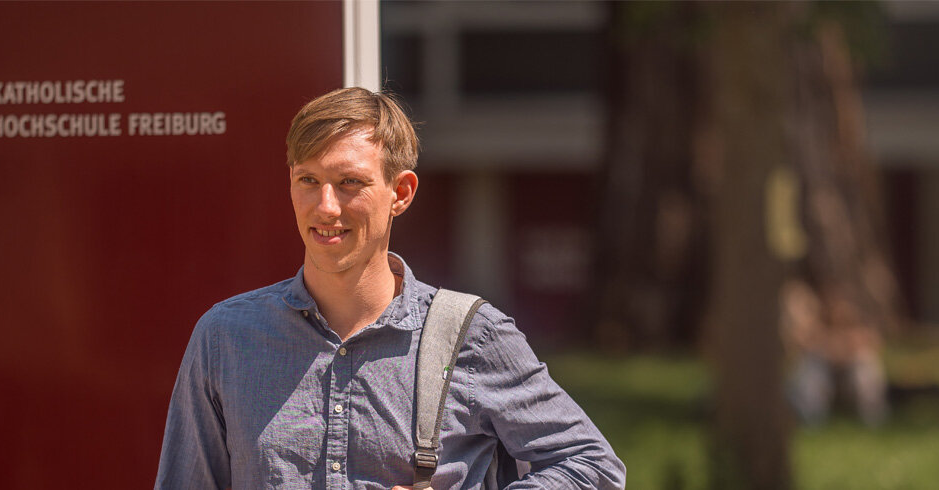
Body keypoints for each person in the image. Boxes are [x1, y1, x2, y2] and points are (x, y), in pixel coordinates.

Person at [155, 87, 626, 489]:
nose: (325, 207)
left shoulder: (471, 335)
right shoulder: (225, 338)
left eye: (349, 183)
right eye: (308, 180)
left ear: (400, 193)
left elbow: (594, 468)